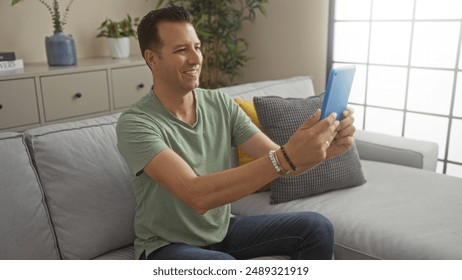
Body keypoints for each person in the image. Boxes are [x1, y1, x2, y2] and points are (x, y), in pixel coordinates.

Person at [116, 5, 356, 260]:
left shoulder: (219, 104)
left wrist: (326, 150)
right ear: (152, 59)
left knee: (317, 228)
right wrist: (287, 157)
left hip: (221, 232)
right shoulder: (136, 123)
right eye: (181, 50)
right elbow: (196, 195)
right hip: (165, 246)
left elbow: (283, 162)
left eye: (197, 47)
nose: (196, 58)